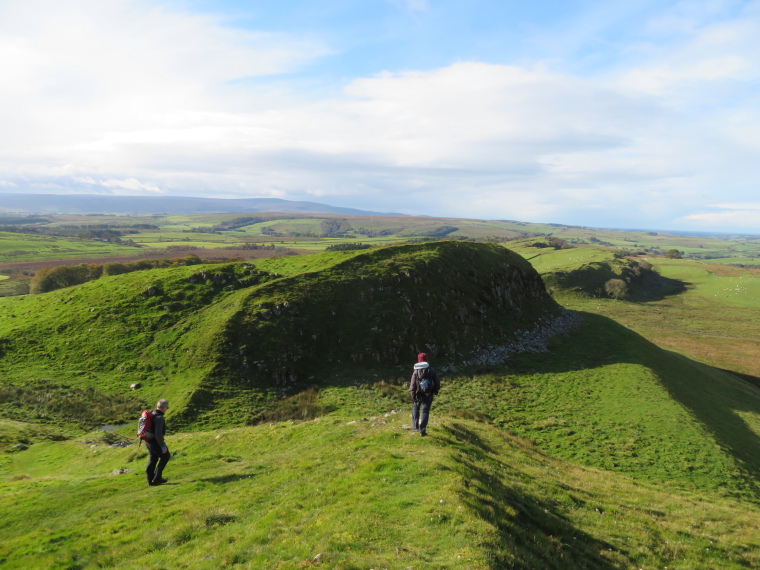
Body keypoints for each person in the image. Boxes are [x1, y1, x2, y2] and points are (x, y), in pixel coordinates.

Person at [409, 353, 440, 436]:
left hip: (417, 393)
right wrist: (436, 390)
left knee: (416, 408)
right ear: (426, 360)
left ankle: (415, 426)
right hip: (428, 394)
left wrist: (412, 393)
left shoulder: (416, 371)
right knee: (425, 411)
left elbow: (412, 384)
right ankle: (422, 430)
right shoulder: (431, 370)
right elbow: (437, 382)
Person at [145, 399, 171, 486]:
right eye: (167, 408)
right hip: (155, 442)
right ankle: (157, 478)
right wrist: (163, 446)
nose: (166, 409)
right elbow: (158, 435)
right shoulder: (159, 418)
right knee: (166, 456)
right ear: (164, 407)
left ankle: (150, 480)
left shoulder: (151, 413)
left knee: (153, 459)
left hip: (148, 440)